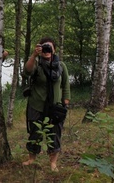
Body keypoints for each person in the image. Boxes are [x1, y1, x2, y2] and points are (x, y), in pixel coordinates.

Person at [22, 37, 70, 172]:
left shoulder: (61, 66)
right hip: (36, 105)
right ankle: (31, 159)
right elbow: (27, 71)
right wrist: (33, 55)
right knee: (35, 133)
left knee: (54, 134)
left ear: (54, 49)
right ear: (40, 49)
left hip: (55, 107)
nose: (47, 50)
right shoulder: (37, 64)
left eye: (49, 47)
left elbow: (66, 84)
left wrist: (66, 101)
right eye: (44, 47)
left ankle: (53, 163)